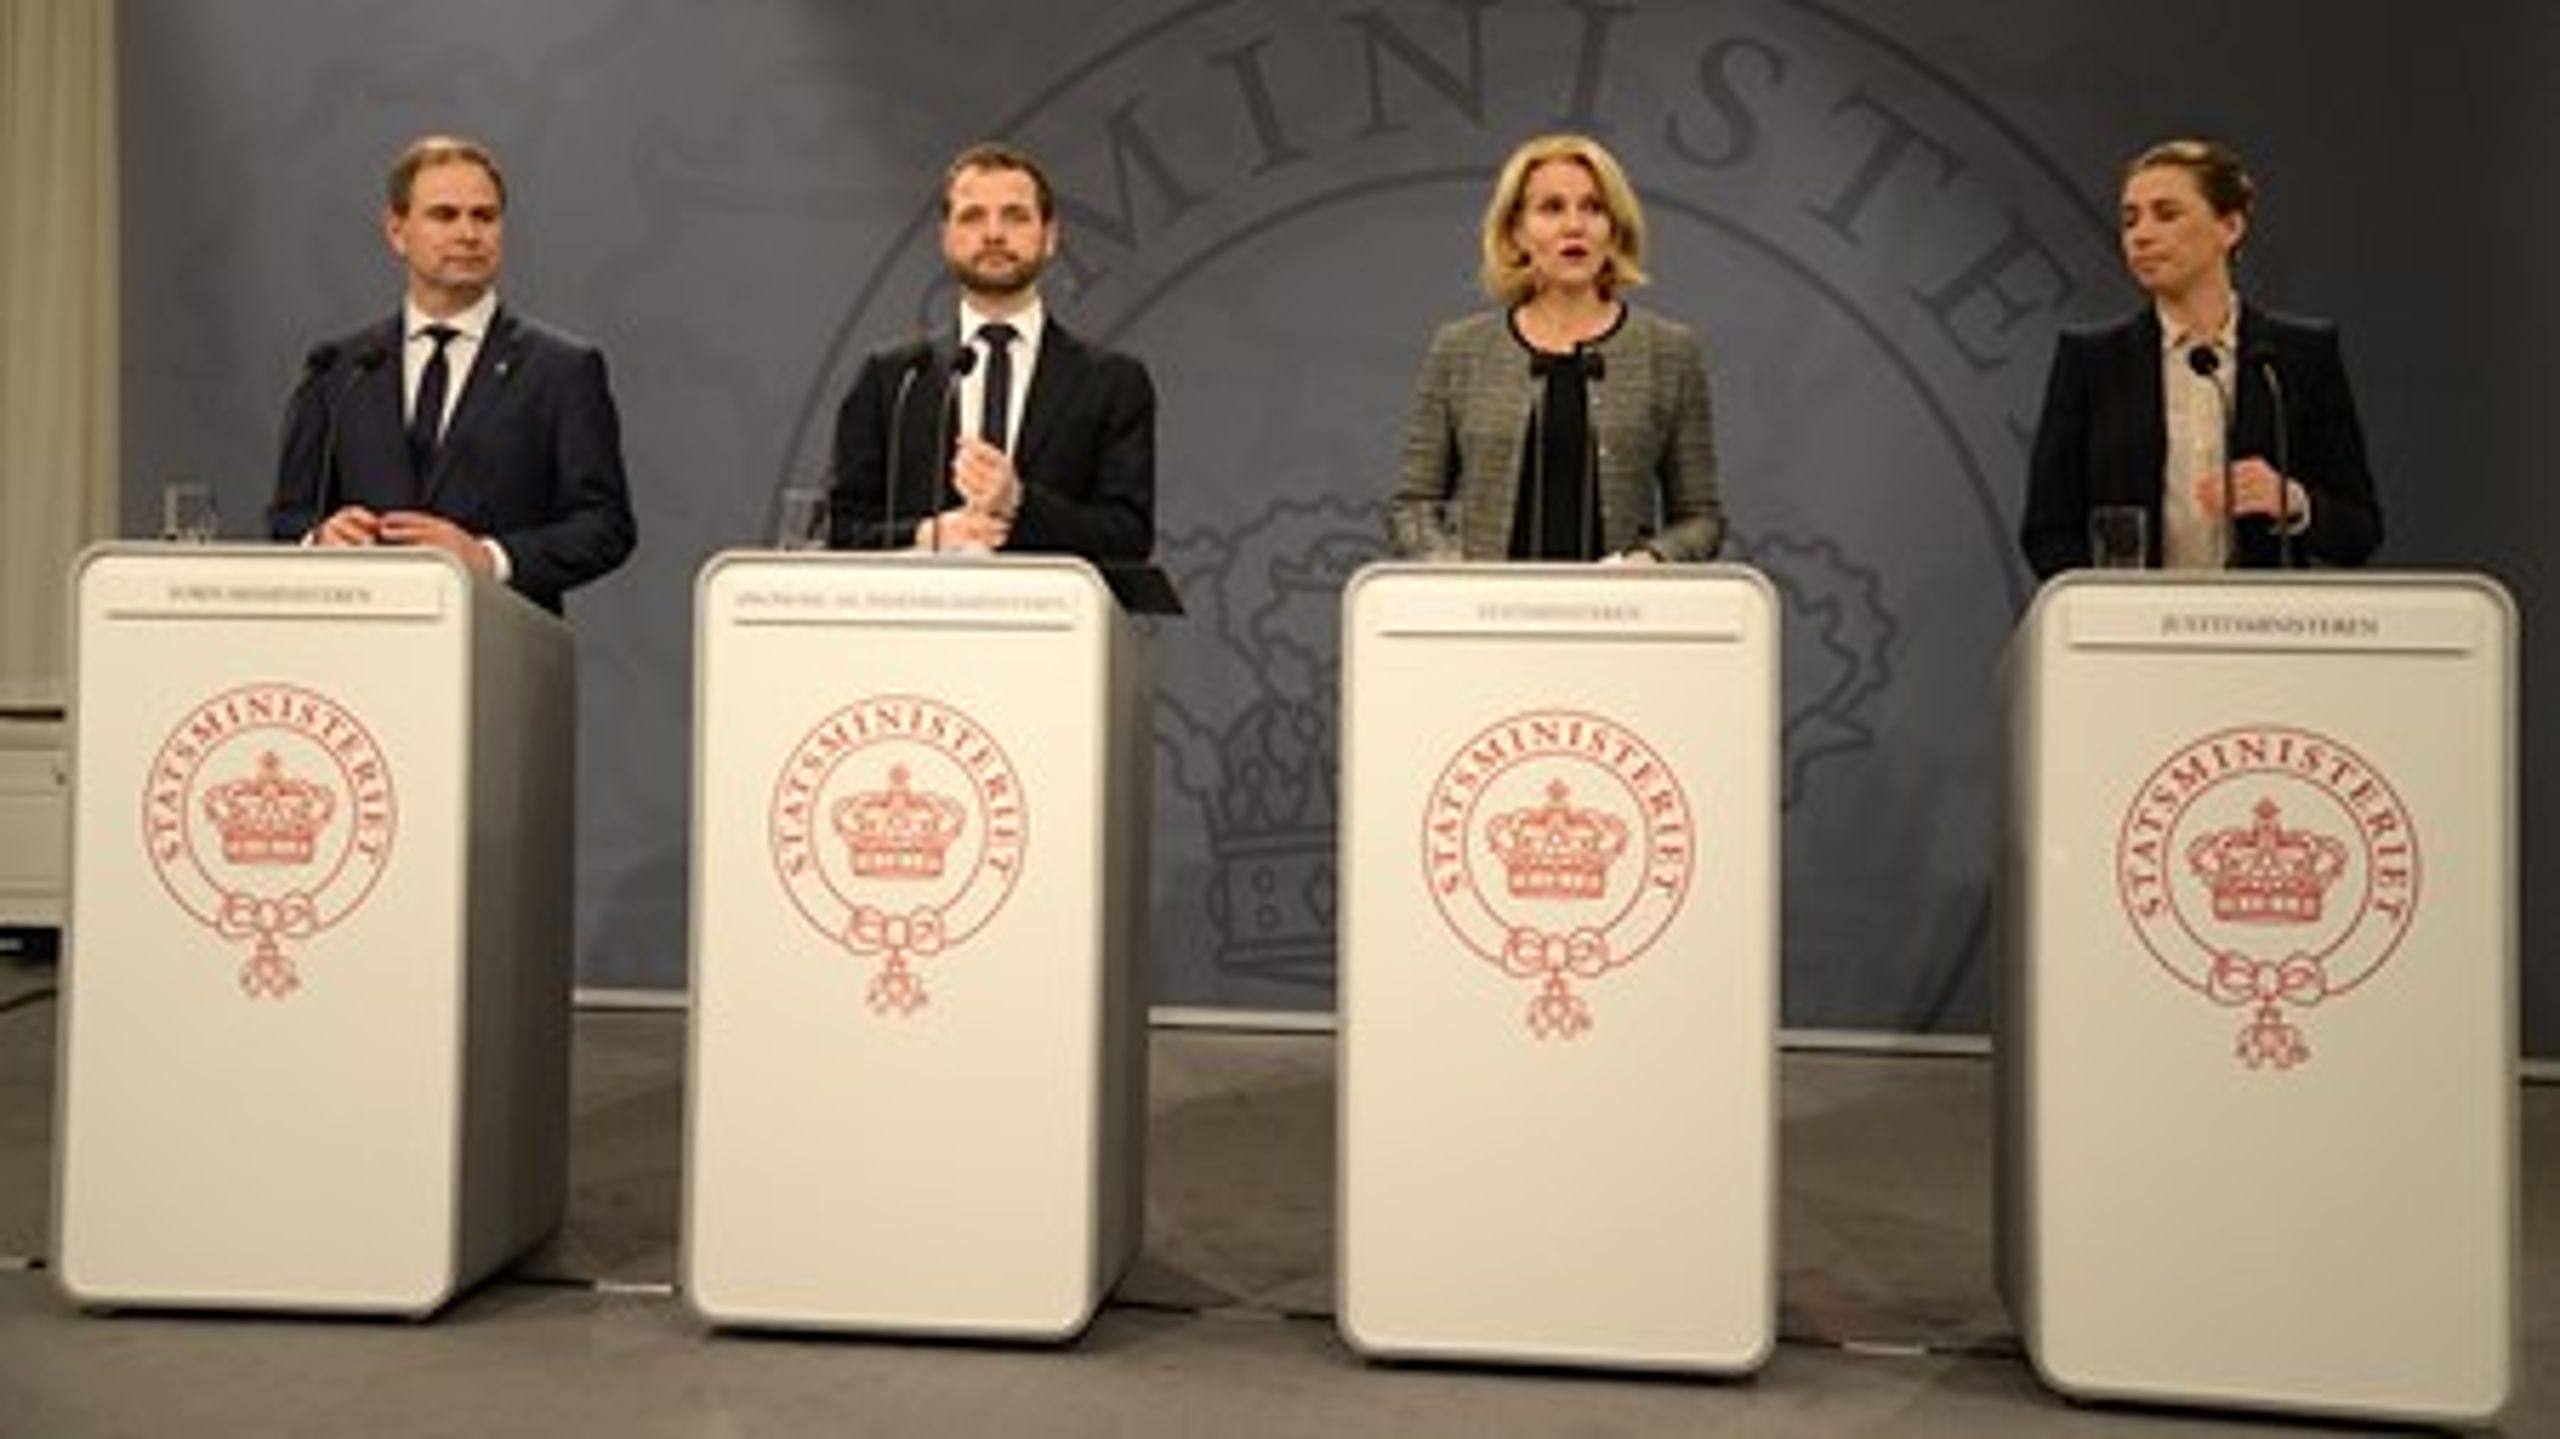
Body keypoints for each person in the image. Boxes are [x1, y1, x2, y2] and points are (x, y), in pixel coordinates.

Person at [269, 135, 637, 612]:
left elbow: (605, 527)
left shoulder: (562, 371)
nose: (468, 233)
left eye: (484, 216)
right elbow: (288, 519)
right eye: (444, 215)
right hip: (366, 635)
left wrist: (487, 558)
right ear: (397, 231)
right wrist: (319, 540)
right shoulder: (339, 370)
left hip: (498, 639)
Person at [2020, 138, 2381, 577]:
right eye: (2130, 220)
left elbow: (2360, 530)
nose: (2141, 236)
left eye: (2166, 214)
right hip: (2133, 619)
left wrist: (2294, 503)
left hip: (2262, 617)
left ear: (2230, 227)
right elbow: (2047, 532)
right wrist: (2108, 600)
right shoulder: (2092, 361)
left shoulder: (2296, 357)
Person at [1388, 133, 1721, 563]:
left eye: (1594, 208)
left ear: (1614, 230)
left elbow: (1701, 520)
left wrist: (1653, 560)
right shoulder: (1460, 349)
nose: (1574, 226)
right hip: (1488, 603)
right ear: (1516, 231)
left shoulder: (1669, 351)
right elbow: (1413, 507)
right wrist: (1453, 570)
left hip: (1621, 603)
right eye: (1551, 208)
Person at [828, 142, 1155, 559]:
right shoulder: (894, 378)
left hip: (1049, 603)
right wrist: (929, 535)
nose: (994, 234)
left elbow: (1128, 539)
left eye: (1015, 216)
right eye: (972, 216)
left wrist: (1019, 501)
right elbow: (840, 530)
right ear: (946, 238)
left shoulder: (1112, 382)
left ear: (1050, 236)